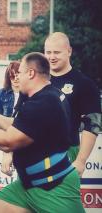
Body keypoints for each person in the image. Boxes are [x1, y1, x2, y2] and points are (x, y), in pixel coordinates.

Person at [0, 52, 84, 213]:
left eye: (19, 73)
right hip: (29, 185)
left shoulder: (43, 103)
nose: (17, 78)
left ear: (31, 73)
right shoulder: (46, 95)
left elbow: (7, 142)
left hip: (55, 186)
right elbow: (19, 125)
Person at [44, 32, 101, 176]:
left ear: (69, 51)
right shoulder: (35, 80)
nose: (51, 57)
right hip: (33, 153)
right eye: (48, 52)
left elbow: (92, 123)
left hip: (66, 152)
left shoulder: (84, 83)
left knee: (62, 198)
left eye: (57, 52)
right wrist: (9, 153)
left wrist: (81, 160)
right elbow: (20, 119)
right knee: (25, 198)